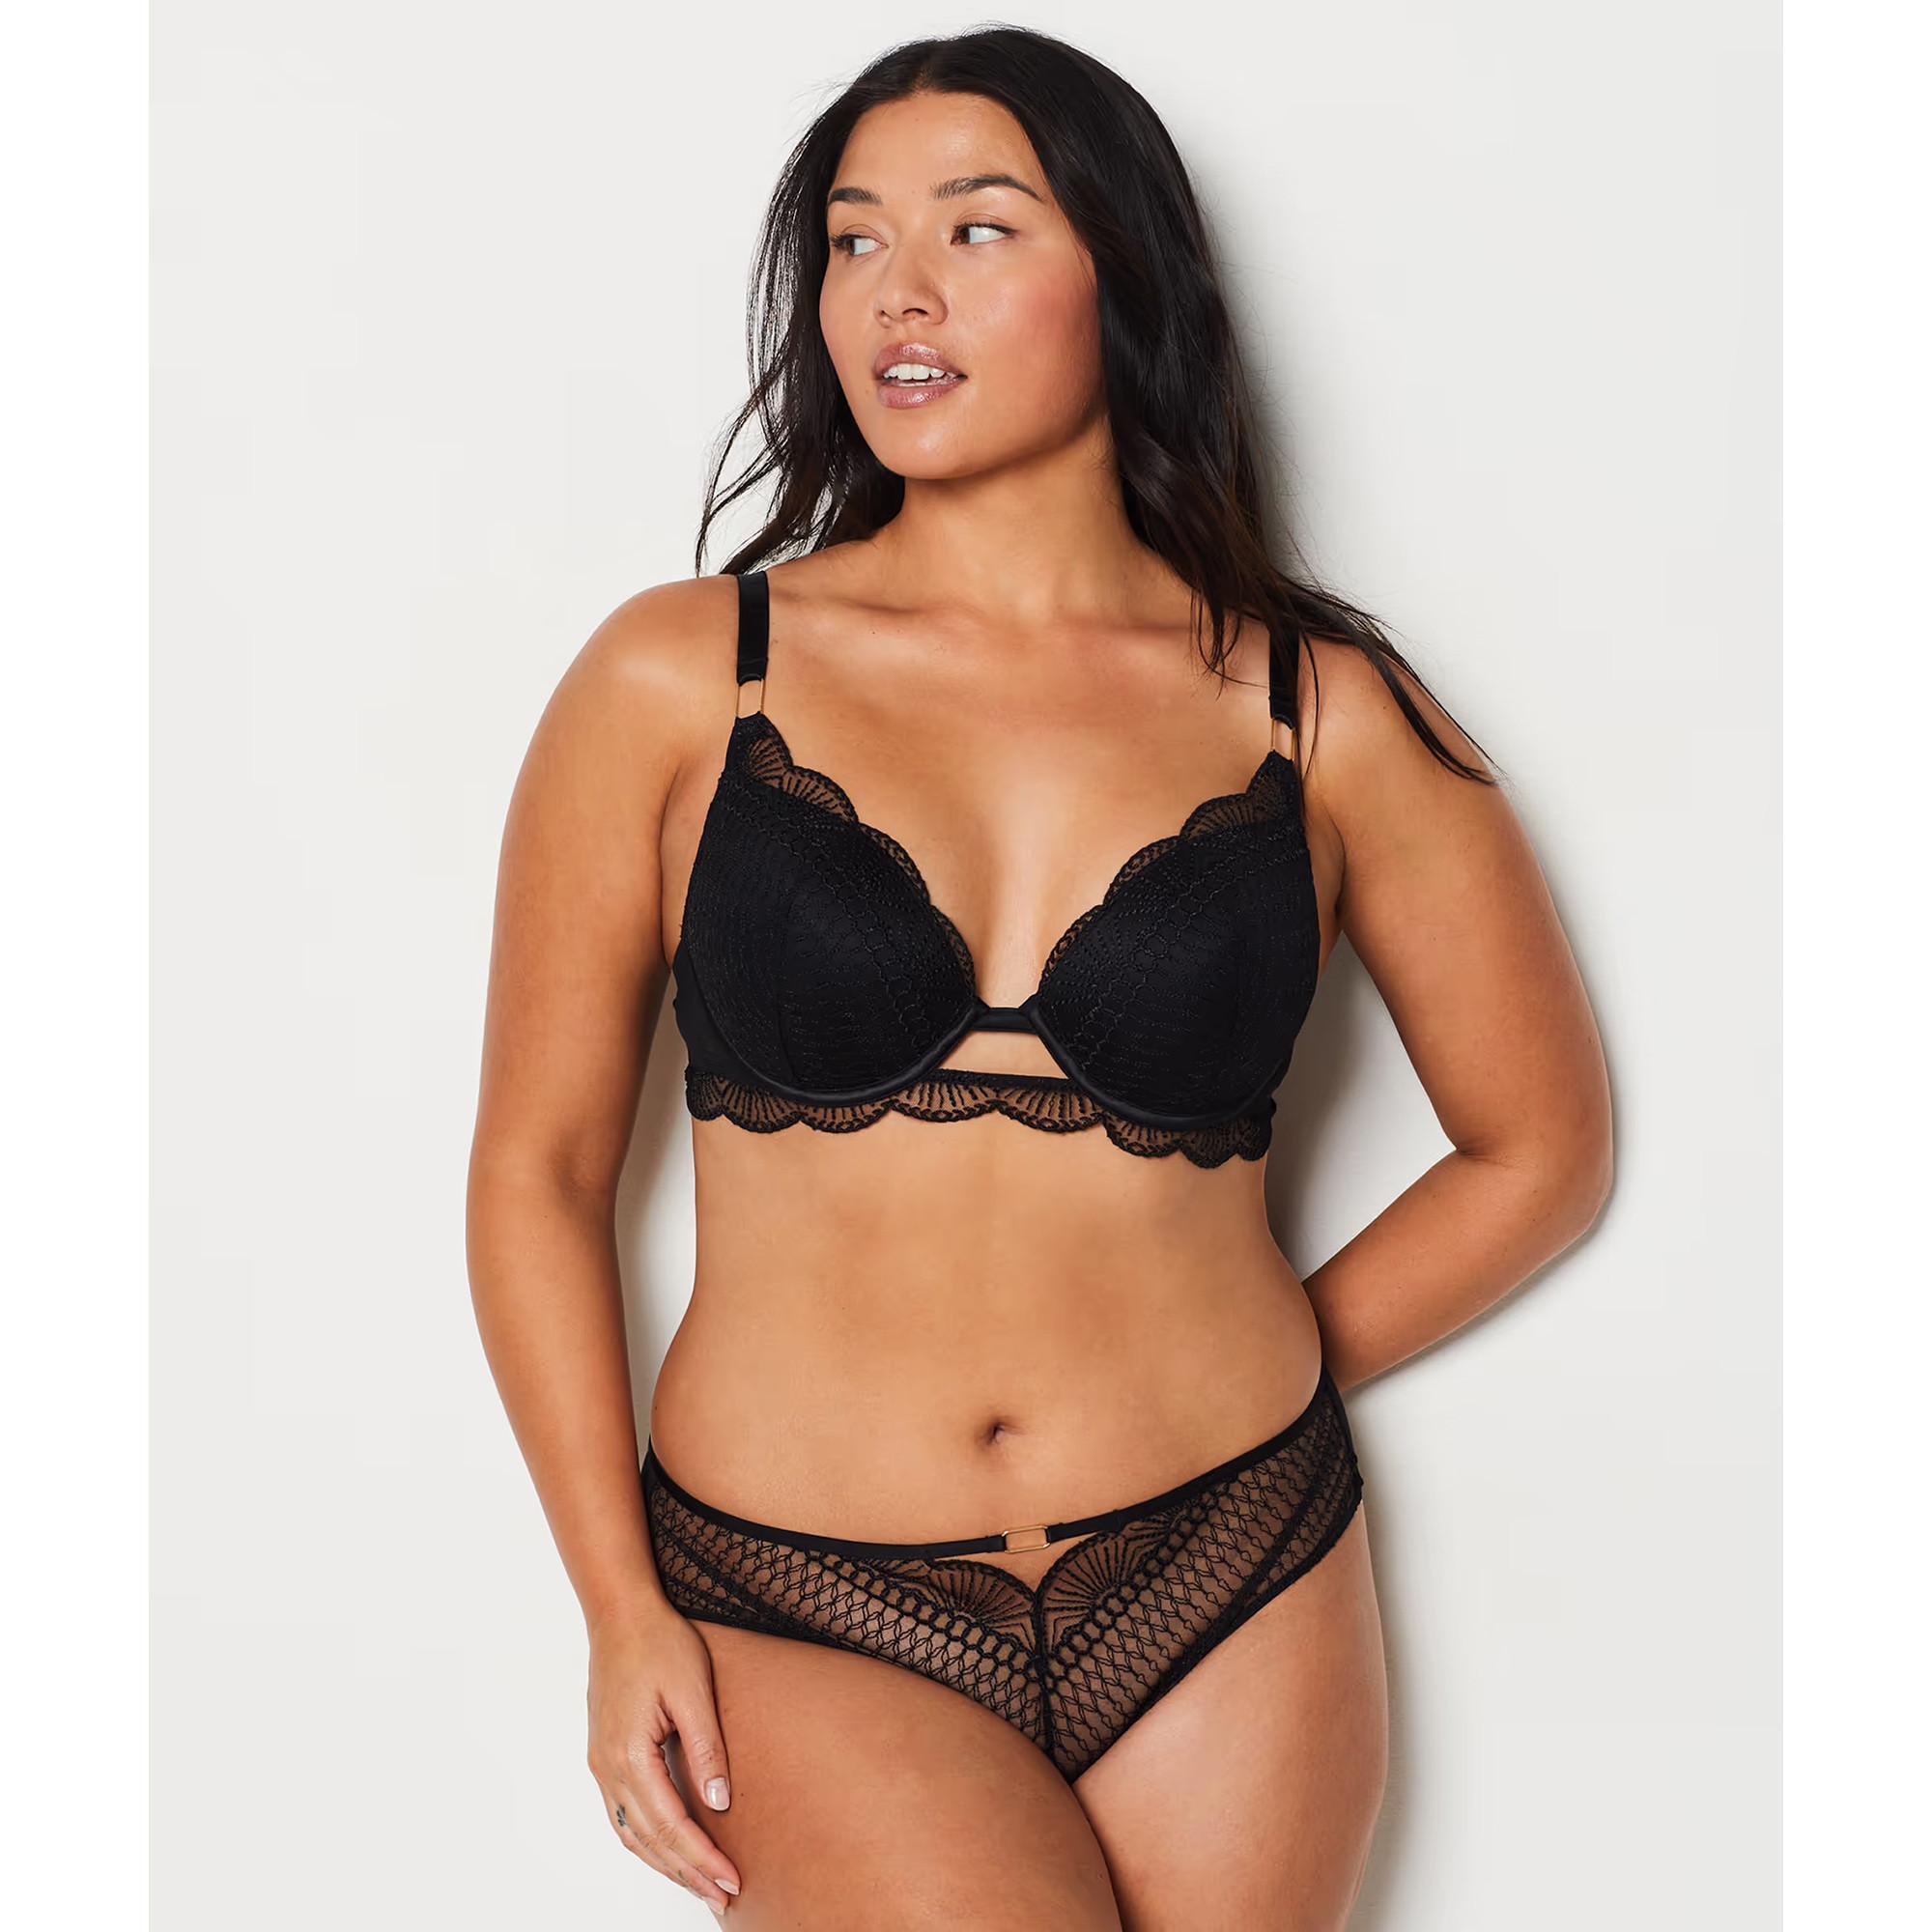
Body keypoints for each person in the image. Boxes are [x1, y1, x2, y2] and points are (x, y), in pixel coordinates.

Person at [466, 26, 1613, 1929]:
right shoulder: (681, 675)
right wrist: (613, 1604)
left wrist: (1261, 1359)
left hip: (1232, 1562)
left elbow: (1539, 1145)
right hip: (794, 1590)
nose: (896, 290)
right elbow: (538, 1168)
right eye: (852, 239)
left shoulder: (1320, 711)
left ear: (1126, 273)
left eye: (977, 228)